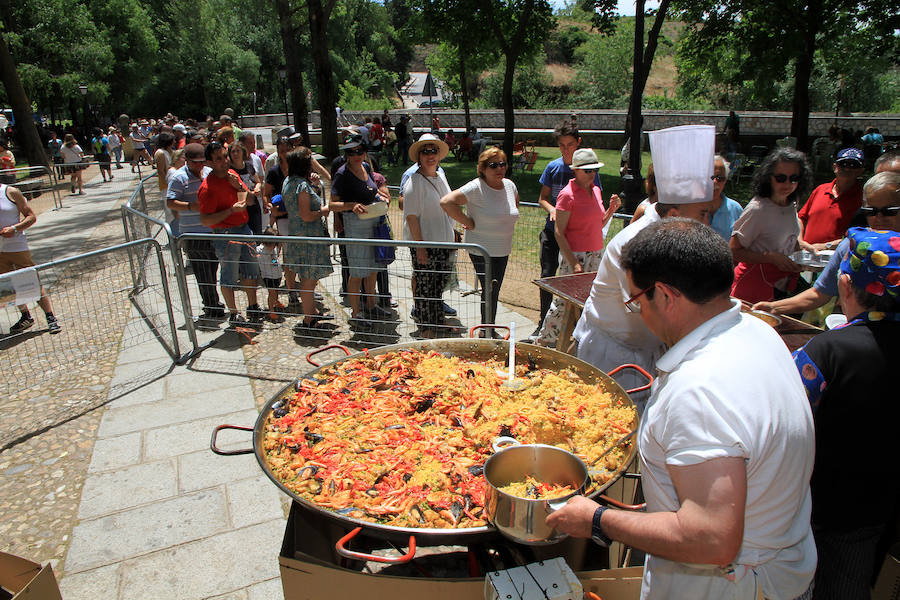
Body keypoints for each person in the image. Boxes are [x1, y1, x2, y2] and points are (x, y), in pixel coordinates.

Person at [548, 218, 816, 600]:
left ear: (666, 295)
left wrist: (596, 519)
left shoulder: (700, 391)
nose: (637, 313)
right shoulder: (758, 332)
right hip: (787, 566)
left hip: (731, 587)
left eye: (635, 301)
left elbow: (712, 539)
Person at [573, 124, 716, 408]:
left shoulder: (673, 235)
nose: (707, 224)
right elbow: (654, 309)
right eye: (702, 214)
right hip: (613, 353)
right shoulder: (634, 244)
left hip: (649, 348)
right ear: (674, 214)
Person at [791, 227, 899, 599]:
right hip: (878, 504)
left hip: (820, 502)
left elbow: (791, 411)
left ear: (848, 286)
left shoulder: (829, 349)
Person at [753, 171, 900, 317]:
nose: (879, 218)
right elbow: (819, 293)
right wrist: (773, 307)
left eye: (889, 211)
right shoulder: (851, 246)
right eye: (871, 211)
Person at [535, 148, 620, 347]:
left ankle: (579, 341)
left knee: (591, 299)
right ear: (576, 170)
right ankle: (545, 341)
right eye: (587, 171)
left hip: (596, 251)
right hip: (575, 254)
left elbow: (598, 224)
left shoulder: (596, 190)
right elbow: (558, 232)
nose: (592, 174)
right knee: (563, 302)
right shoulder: (567, 195)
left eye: (594, 170)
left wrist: (611, 210)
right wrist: (573, 262)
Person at [441, 147, 519, 334]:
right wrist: (467, 221)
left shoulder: (509, 185)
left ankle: (488, 327)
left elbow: (514, 205)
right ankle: (487, 329)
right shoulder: (476, 187)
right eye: (493, 165)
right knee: (490, 288)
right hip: (481, 249)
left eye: (503, 164)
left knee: (494, 289)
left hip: (503, 248)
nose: (500, 168)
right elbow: (446, 202)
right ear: (483, 169)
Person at [536, 120, 601, 334]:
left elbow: (593, 200)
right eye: (562, 145)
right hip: (554, 230)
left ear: (578, 143)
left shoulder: (589, 170)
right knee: (548, 275)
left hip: (578, 239)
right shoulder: (553, 167)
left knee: (576, 285)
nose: (566, 149)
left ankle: (572, 327)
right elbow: (543, 198)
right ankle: (543, 324)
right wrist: (552, 210)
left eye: (570, 144)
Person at [730, 147, 811, 304]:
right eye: (781, 178)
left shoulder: (791, 203)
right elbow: (733, 251)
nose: (787, 183)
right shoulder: (758, 209)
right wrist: (770, 258)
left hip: (778, 285)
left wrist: (800, 255)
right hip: (751, 287)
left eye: (794, 178)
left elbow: (789, 237)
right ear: (768, 177)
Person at [196, 142, 263, 327]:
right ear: (209, 162)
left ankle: (253, 306)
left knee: (251, 270)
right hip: (224, 234)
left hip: (244, 228)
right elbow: (205, 220)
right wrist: (230, 211)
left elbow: (250, 201)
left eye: (225, 156)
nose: (225, 161)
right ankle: (234, 312)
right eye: (219, 159)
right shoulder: (207, 188)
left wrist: (240, 187)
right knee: (229, 274)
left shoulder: (233, 175)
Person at [329, 140, 390, 329]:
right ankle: (355, 314)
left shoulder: (365, 166)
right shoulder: (342, 174)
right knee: (357, 271)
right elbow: (332, 204)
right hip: (355, 224)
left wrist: (381, 197)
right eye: (352, 152)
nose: (356, 155)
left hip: (373, 220)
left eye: (360, 151)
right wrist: (351, 206)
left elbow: (371, 191)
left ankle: (371, 305)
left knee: (373, 267)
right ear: (346, 154)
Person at [402, 133, 455, 339]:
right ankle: (426, 327)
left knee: (438, 284)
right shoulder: (414, 182)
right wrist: (420, 246)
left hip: (443, 241)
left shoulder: (440, 176)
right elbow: (412, 217)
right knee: (425, 286)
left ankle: (437, 320)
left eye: (434, 151)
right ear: (419, 156)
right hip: (426, 243)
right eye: (425, 151)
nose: (430, 155)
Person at [166, 143, 224, 320]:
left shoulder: (207, 173)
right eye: (196, 162)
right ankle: (212, 305)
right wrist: (192, 206)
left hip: (211, 230)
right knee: (202, 271)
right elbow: (170, 202)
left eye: (202, 162)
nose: (200, 165)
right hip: (193, 234)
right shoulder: (178, 178)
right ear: (187, 161)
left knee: (212, 269)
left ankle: (212, 300)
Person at [281, 147, 333, 330]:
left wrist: (316, 187)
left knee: (307, 278)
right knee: (308, 280)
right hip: (309, 238)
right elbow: (306, 215)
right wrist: (325, 210)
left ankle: (312, 313)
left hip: (299, 236)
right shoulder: (301, 185)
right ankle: (309, 318)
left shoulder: (289, 181)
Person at [1, 183, 61, 334]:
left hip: (16, 247)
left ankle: (50, 316)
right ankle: (25, 316)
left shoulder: (10, 192)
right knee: (8, 287)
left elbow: (31, 216)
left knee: (30, 281)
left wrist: (14, 229)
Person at [797, 148, 864, 252]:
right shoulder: (820, 189)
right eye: (843, 164)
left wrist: (826, 246)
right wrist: (800, 240)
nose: (847, 169)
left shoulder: (864, 198)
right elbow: (801, 217)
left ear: (861, 171)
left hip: (839, 259)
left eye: (853, 165)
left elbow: (862, 235)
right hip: (808, 255)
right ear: (834, 167)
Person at [227, 142, 264, 235]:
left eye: (238, 151)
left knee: (257, 232)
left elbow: (258, 182)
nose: (235, 154)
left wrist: (257, 188)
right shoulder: (229, 170)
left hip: (254, 205)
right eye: (233, 152)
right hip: (241, 206)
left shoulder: (249, 166)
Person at [709, 155, 743, 239]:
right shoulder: (689, 208)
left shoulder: (736, 209)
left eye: (720, 178)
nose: (715, 182)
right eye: (710, 177)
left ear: (725, 181)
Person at [255, 227, 286, 323]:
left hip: (277, 274)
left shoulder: (274, 249)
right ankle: (271, 310)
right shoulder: (260, 250)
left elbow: (274, 261)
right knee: (271, 293)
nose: (274, 246)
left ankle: (276, 302)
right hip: (268, 276)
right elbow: (259, 259)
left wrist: (274, 260)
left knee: (276, 290)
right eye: (273, 244)